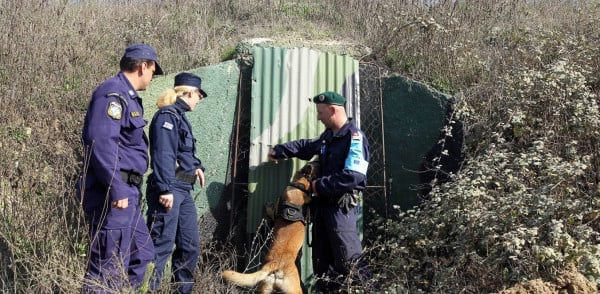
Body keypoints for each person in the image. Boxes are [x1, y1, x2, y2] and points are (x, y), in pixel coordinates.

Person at [76, 44, 164, 293]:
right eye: (152, 71)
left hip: (128, 194)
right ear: (143, 66)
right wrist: (117, 188)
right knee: (108, 267)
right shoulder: (112, 93)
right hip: (114, 194)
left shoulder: (128, 97)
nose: (151, 77)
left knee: (142, 254)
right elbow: (100, 141)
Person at [268, 91, 373, 292]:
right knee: (323, 268)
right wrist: (280, 151)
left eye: (320, 112)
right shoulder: (329, 136)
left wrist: (318, 186)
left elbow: (354, 176)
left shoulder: (354, 138)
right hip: (322, 209)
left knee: (351, 263)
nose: (318, 117)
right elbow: (307, 146)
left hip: (340, 210)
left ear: (333, 110)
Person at [145, 72, 207, 293]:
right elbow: (163, 154)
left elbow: (183, 152)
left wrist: (196, 166)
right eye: (199, 95)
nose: (200, 99)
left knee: (189, 246)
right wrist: (165, 188)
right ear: (189, 93)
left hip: (183, 189)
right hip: (170, 189)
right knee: (160, 247)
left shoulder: (179, 117)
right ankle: (146, 290)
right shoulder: (167, 117)